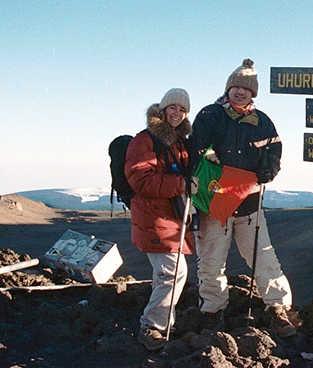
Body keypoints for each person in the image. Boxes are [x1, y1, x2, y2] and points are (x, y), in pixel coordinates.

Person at [189, 59, 298, 338]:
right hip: (213, 202)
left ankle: (278, 309)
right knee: (211, 261)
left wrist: (270, 168)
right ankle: (212, 312)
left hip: (248, 202)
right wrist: (202, 164)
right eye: (236, 87)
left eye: (246, 89)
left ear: (253, 94)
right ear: (228, 89)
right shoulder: (210, 114)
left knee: (263, 259)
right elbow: (195, 146)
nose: (240, 92)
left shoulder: (262, 121)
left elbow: (274, 148)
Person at [125, 88, 197, 350]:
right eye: (173, 108)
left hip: (172, 218)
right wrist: (182, 184)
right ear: (163, 110)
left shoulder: (180, 142)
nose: (177, 113)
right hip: (153, 216)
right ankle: (151, 326)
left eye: (182, 109)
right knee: (174, 272)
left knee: (164, 274)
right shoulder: (144, 140)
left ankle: (165, 326)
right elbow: (140, 178)